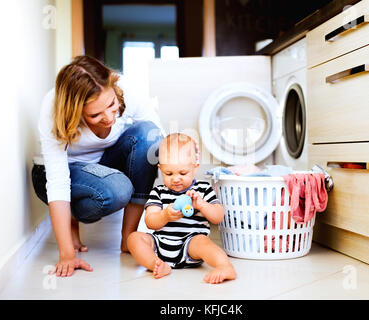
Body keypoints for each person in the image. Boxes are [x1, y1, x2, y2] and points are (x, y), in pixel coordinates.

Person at [32, 55, 164, 277]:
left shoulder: (125, 90)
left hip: (101, 164)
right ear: (75, 111)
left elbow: (157, 133)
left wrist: (182, 153)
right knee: (119, 189)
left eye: (111, 105)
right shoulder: (53, 108)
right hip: (54, 173)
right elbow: (57, 181)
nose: (109, 118)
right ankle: (71, 218)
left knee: (148, 136)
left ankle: (129, 239)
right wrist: (66, 254)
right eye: (95, 114)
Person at [127, 133, 237, 284]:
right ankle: (156, 264)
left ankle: (225, 266)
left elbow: (218, 217)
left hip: (190, 245)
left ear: (195, 167)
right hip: (160, 246)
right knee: (134, 238)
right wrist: (165, 215)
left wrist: (202, 205)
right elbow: (150, 221)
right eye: (169, 173)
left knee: (203, 242)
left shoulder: (203, 189)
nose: (176, 178)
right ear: (160, 169)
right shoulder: (158, 192)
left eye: (183, 173)